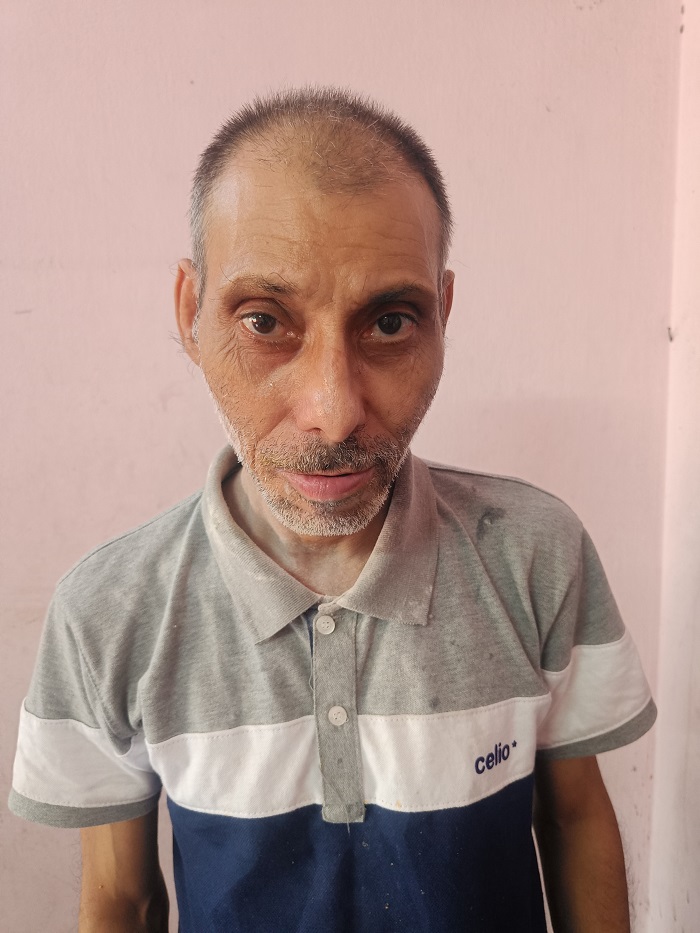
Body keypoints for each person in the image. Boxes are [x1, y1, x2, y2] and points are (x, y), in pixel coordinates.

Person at [9, 87, 655, 933]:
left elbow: (572, 818)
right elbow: (122, 898)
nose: (335, 411)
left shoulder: (536, 555)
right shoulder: (107, 612)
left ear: (442, 314)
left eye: (389, 322)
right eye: (265, 320)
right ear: (190, 313)